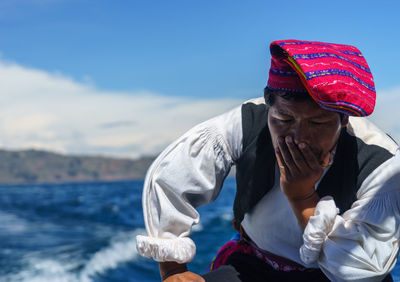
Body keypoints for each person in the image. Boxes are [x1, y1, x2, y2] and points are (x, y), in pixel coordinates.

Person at [136, 40, 400, 281]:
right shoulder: (247, 122)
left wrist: (302, 199)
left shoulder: (383, 163)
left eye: (318, 122)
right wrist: (172, 270)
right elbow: (170, 176)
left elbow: (363, 269)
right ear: (269, 107)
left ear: (344, 120)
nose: (299, 138)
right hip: (256, 264)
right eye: (284, 120)